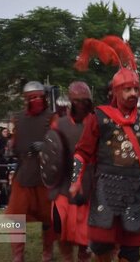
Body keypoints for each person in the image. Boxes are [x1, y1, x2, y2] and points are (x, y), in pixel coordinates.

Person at [69, 35, 140, 262]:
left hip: (135, 189)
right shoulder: (99, 117)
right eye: (127, 89)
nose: (132, 94)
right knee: (102, 246)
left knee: (131, 249)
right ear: (115, 92)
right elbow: (81, 152)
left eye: (135, 89)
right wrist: (75, 180)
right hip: (106, 187)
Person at [6, 81, 57, 262]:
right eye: (32, 97)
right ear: (26, 99)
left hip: (45, 174)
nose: (36, 100)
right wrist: (10, 147)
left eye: (38, 97)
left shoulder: (52, 117)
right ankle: (18, 254)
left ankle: (47, 252)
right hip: (25, 172)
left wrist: (46, 145)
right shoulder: (18, 119)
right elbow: (15, 143)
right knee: (17, 216)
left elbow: (60, 142)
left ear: (44, 98)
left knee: (48, 218)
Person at [42, 81, 94, 262]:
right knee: (60, 224)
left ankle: (83, 255)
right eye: (77, 101)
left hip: (88, 182)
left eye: (84, 101)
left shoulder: (96, 123)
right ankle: (67, 258)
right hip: (63, 182)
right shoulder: (60, 124)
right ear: (71, 102)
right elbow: (52, 148)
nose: (81, 104)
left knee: (84, 229)